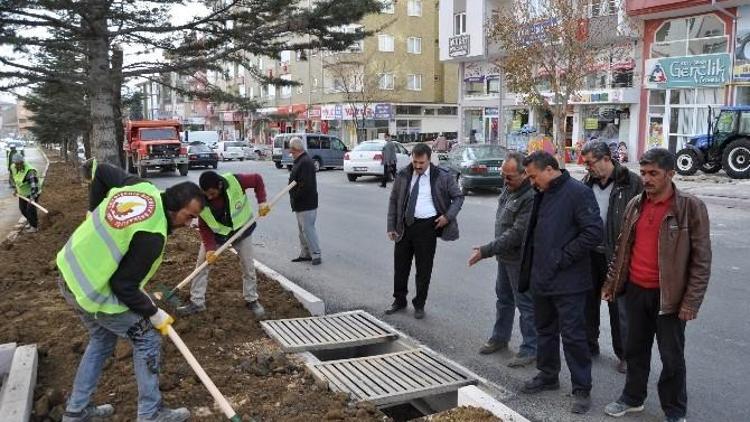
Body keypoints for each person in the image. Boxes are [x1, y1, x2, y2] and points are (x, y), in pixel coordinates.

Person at [57, 181, 206, 422]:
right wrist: (153, 312)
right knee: (147, 337)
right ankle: (150, 414)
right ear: (173, 207)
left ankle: (76, 411)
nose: (190, 224)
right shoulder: (152, 235)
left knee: (102, 339)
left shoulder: (145, 189)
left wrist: (92, 210)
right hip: (92, 288)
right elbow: (123, 286)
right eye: (189, 216)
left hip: (70, 271)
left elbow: (103, 174)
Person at [602, 148, 711, 422]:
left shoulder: (690, 207)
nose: (647, 179)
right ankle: (632, 398)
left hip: (669, 297)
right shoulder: (635, 204)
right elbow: (622, 248)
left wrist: (691, 302)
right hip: (635, 292)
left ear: (670, 174)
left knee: (671, 358)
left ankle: (674, 410)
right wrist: (611, 282)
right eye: (644, 173)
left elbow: (701, 261)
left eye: (654, 174)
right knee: (635, 350)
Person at [518, 151, 602, 414]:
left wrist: (562, 258)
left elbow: (593, 232)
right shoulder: (541, 193)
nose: (532, 183)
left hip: (569, 281)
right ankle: (548, 375)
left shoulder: (578, 192)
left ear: (549, 169)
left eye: (534, 177)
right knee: (545, 330)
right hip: (541, 278)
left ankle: (581, 389)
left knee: (574, 336)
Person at [468, 152, 537, 367]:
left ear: (525, 174)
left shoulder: (531, 197)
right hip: (504, 257)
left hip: (520, 260)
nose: (505, 181)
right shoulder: (509, 189)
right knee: (503, 299)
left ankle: (530, 348)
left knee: (525, 305)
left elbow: (517, 233)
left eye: (510, 177)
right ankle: (500, 337)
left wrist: (486, 250)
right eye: (503, 176)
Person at [580, 141, 643, 373]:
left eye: (590, 163)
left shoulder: (631, 182)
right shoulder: (586, 182)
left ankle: (625, 354)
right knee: (588, 303)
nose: (587, 168)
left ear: (606, 158)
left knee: (620, 308)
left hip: (618, 255)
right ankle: (590, 344)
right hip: (590, 253)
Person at [386, 143, 464, 319]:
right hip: (404, 227)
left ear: (430, 159)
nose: (418, 166)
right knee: (401, 267)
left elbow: (458, 197)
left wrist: (447, 217)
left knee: (424, 269)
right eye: (415, 162)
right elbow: (393, 201)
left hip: (427, 228)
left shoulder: (442, 176)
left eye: (422, 162)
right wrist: (391, 226)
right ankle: (399, 300)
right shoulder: (403, 174)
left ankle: (419, 304)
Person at [177, 171, 270, 318]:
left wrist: (262, 202)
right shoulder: (202, 201)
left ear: (219, 185)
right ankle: (197, 302)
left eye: (212, 193)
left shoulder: (236, 181)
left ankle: (252, 299)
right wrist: (209, 249)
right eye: (206, 194)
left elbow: (257, 179)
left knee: (248, 267)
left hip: (242, 231)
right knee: (202, 265)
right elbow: (204, 226)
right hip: (218, 235)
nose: (209, 197)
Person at [288, 137, 321, 265]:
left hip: (306, 204)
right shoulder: (301, 160)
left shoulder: (305, 162)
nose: (291, 154)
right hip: (301, 204)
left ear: (296, 149)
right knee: (302, 232)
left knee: (308, 230)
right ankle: (306, 254)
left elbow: (305, 185)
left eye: (291, 151)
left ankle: (316, 254)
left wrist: (295, 195)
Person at [10, 153, 41, 233]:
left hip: (33, 192)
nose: (18, 165)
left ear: (22, 162)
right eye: (17, 164)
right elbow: (15, 179)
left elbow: (34, 186)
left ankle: (34, 227)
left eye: (20, 163)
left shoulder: (30, 171)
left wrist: (32, 197)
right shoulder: (13, 167)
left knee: (30, 209)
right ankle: (30, 221)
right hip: (23, 193)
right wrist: (16, 189)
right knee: (23, 209)